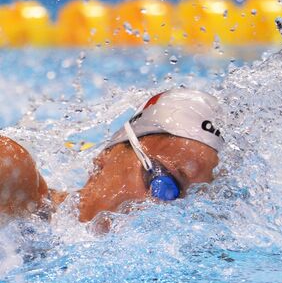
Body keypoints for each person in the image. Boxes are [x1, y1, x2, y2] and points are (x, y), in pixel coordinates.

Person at [0, 88, 223, 224]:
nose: (161, 210)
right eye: (164, 184)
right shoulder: (18, 192)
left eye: (184, 205)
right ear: (105, 157)